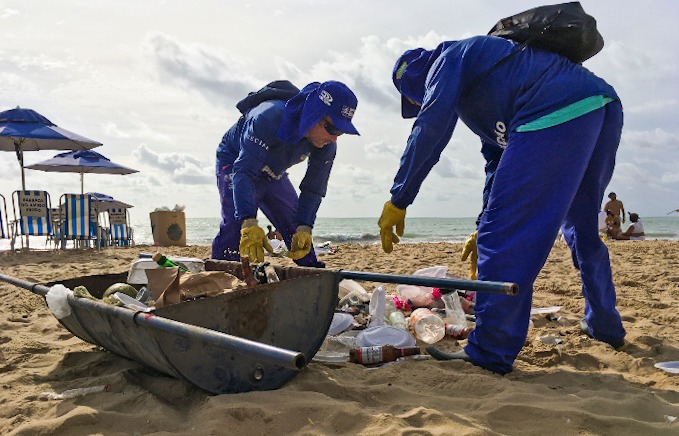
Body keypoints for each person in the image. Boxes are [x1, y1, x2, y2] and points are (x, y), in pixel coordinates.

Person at [377, 36, 626, 374]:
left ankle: (491, 350)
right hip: (600, 104)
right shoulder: (488, 84)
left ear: (415, 82)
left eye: (414, 99)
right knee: (581, 226)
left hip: (552, 107)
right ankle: (605, 325)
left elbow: (431, 126)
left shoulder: (448, 59)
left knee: (504, 239)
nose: (418, 104)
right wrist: (482, 226)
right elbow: (497, 162)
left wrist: (399, 198)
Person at [211, 80, 360, 266]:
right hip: (236, 162)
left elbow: (314, 188)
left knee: (295, 229)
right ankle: (220, 273)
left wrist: (306, 225)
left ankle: (312, 275)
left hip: (272, 172)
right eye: (333, 128)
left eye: (341, 132)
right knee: (236, 225)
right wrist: (248, 222)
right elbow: (245, 171)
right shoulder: (268, 117)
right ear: (314, 114)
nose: (334, 138)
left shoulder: (327, 144)